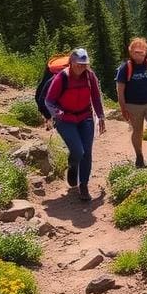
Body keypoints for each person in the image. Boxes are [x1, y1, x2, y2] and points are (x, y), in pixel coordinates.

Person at [45, 48, 106, 202]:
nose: (81, 67)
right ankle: (73, 166)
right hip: (66, 120)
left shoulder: (90, 76)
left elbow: (96, 98)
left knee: (87, 151)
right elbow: (49, 101)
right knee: (78, 151)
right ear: (71, 62)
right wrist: (57, 113)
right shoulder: (62, 78)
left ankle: (83, 185)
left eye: (84, 64)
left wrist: (101, 117)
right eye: (78, 64)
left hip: (85, 117)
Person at [116, 37, 147, 169]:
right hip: (133, 105)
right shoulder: (125, 67)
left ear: (146, 52)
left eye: (141, 52)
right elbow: (120, 90)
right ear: (130, 52)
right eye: (135, 52)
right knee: (137, 131)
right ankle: (139, 156)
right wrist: (123, 107)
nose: (138, 54)